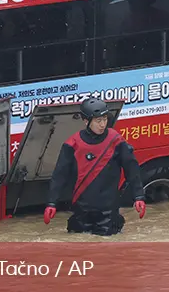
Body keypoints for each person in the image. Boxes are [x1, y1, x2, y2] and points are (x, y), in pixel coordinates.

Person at [44, 98, 145, 236]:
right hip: (81, 212)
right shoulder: (72, 144)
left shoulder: (116, 140)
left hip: (108, 213)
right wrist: (52, 203)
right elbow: (60, 175)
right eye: (98, 121)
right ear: (86, 121)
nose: (103, 124)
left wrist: (138, 196)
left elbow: (131, 168)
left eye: (105, 119)